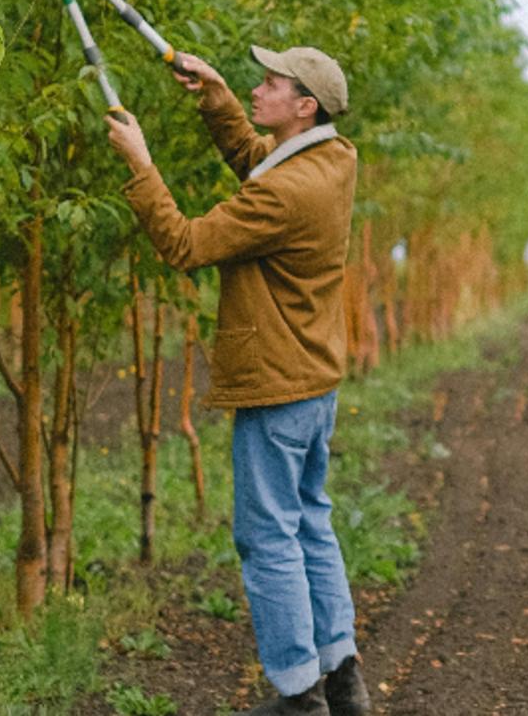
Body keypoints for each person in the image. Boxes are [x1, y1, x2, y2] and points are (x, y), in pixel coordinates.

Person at [105, 44, 370, 716]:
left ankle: (296, 692)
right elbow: (262, 161)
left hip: (277, 384)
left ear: (303, 105)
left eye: (270, 84)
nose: (258, 89)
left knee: (266, 535)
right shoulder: (331, 159)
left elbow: (186, 245)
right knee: (310, 521)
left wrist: (141, 165)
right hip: (314, 377)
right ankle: (342, 678)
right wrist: (217, 96)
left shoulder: (286, 193)